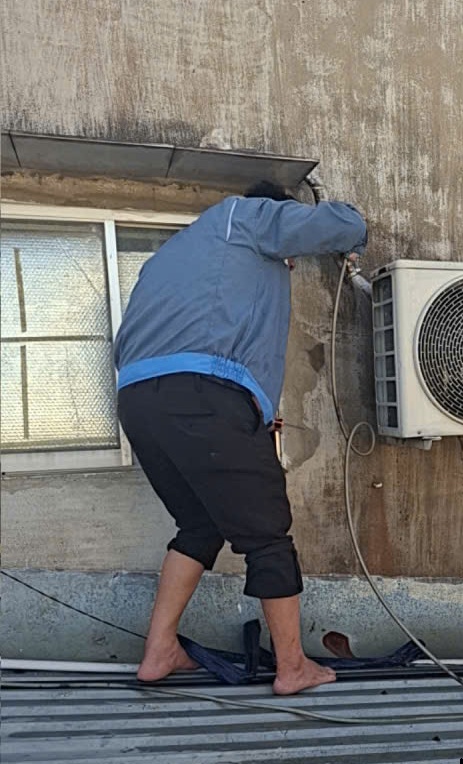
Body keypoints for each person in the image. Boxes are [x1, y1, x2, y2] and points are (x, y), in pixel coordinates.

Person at [114, 180, 367, 694]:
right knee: (266, 534)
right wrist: (353, 230)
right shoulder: (245, 217)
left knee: (199, 525)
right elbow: (341, 224)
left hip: (138, 400)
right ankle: (292, 667)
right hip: (203, 395)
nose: (287, 264)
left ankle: (160, 650)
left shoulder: (171, 256)